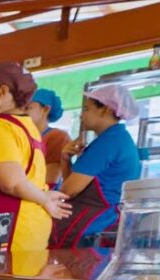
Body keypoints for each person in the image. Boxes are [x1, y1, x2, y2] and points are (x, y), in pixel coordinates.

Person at [0, 62, 71, 252]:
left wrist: (43, 199)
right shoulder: (27, 129)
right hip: (26, 231)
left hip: (1, 232)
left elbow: (11, 182)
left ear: (1, 92)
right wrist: (42, 196)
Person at [56, 84, 142, 248]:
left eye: (87, 109)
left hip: (91, 224)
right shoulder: (118, 139)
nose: (82, 115)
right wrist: (65, 158)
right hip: (101, 221)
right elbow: (72, 187)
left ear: (106, 110)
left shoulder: (109, 143)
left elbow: (68, 190)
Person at [25, 88, 72, 187]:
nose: (23, 113)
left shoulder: (58, 137)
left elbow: (50, 181)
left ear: (46, 109)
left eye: (28, 108)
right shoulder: (23, 135)